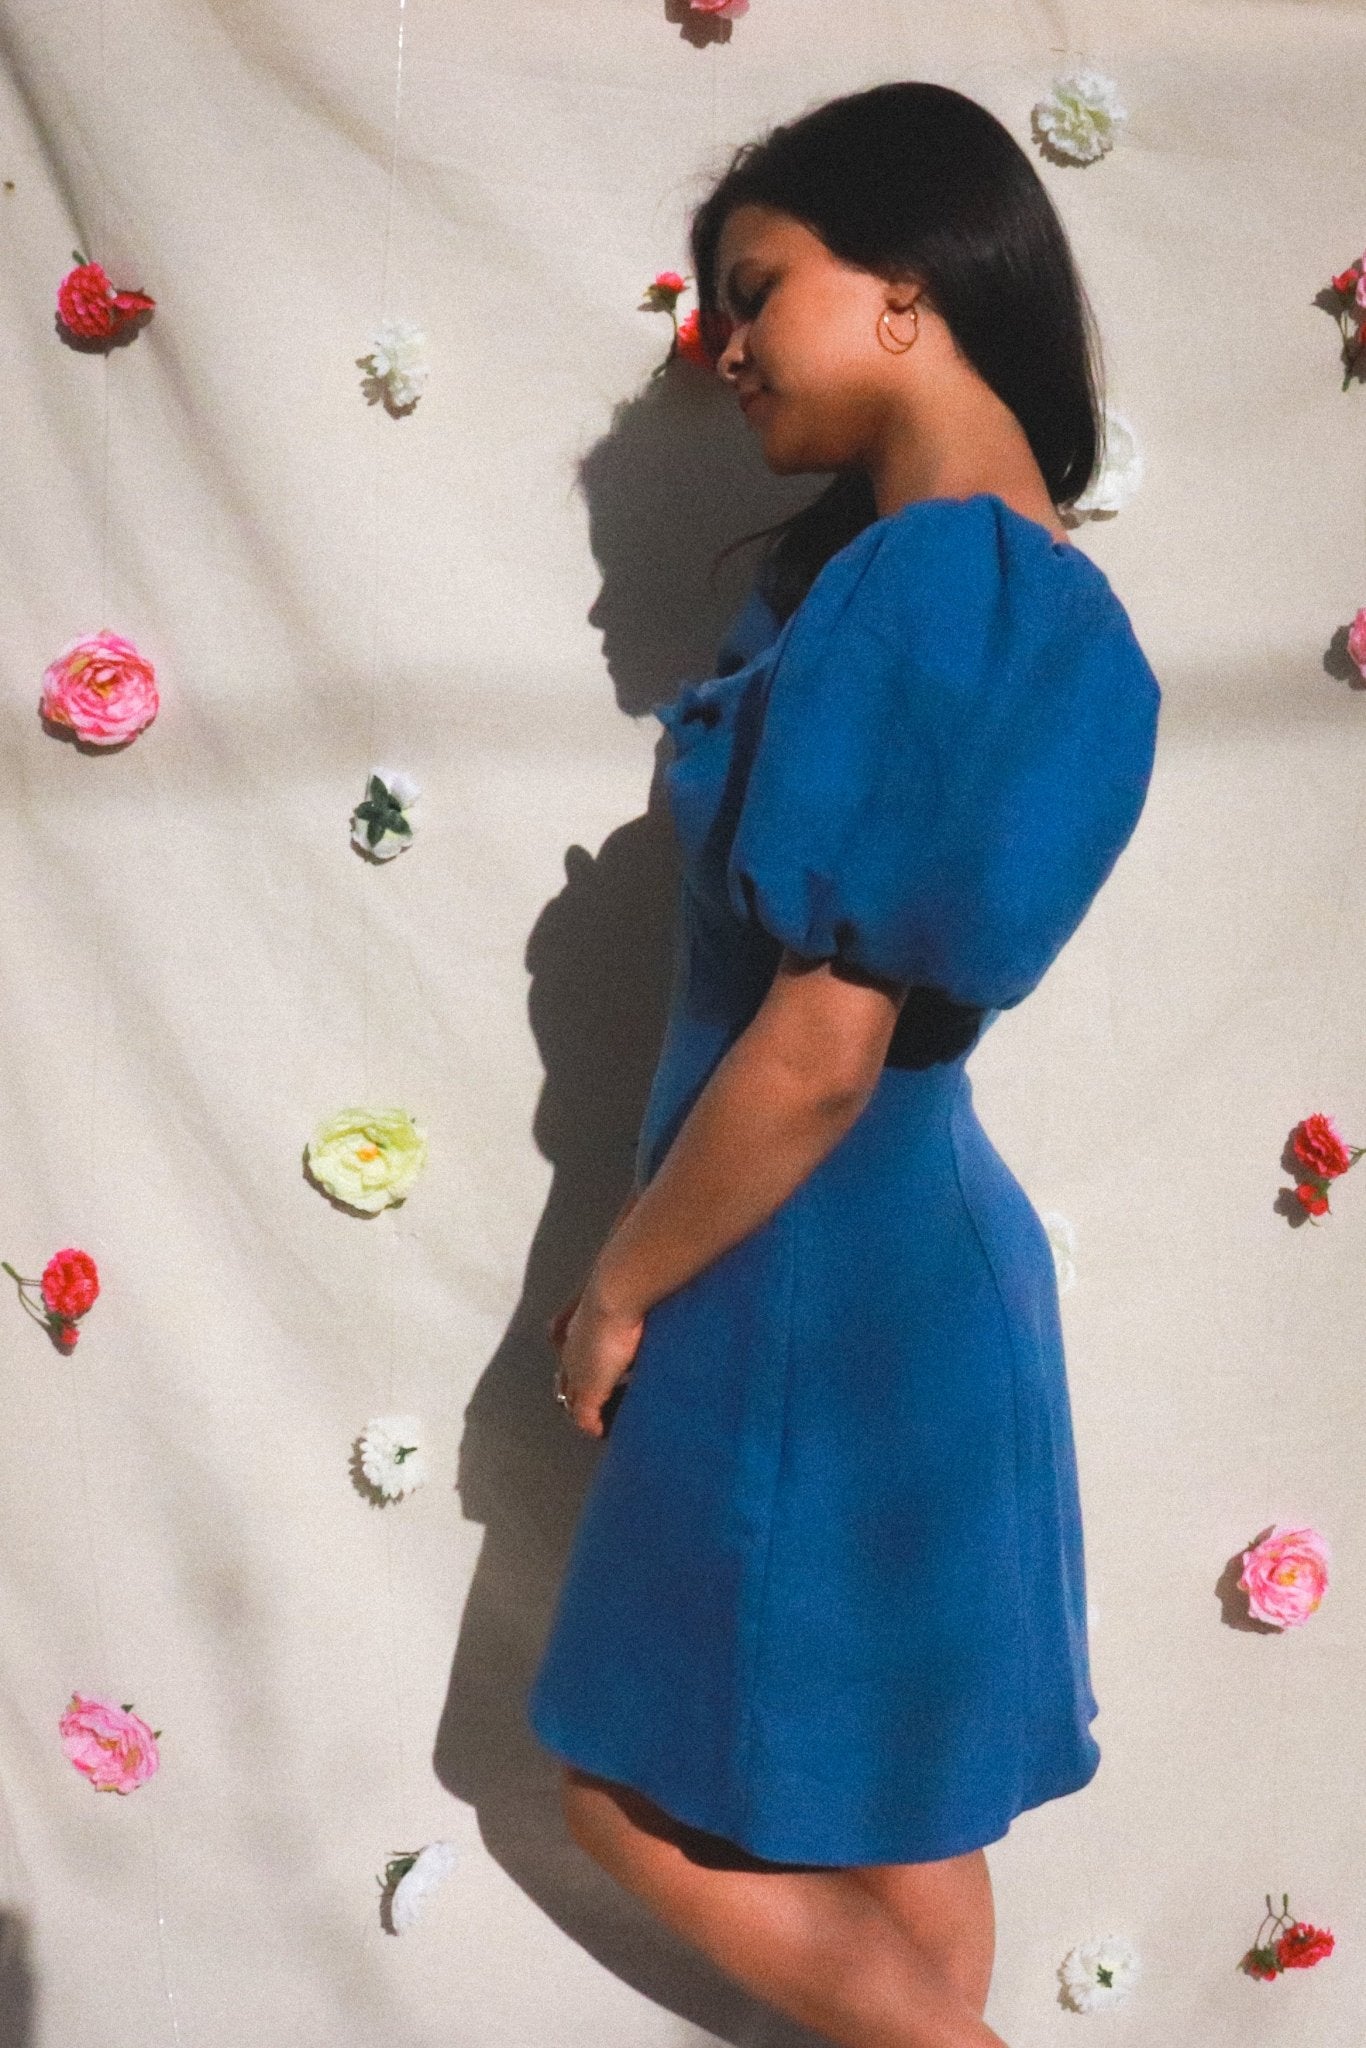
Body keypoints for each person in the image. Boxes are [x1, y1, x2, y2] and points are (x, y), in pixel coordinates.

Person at [526, 81, 1161, 2048]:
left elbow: (817, 1049)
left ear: (907, 287)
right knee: (899, 1824)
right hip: (896, 1269)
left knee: (615, 1795)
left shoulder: (925, 584)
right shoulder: (1022, 591)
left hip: (796, 1269)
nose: (723, 344)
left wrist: (616, 1289)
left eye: (757, 289)